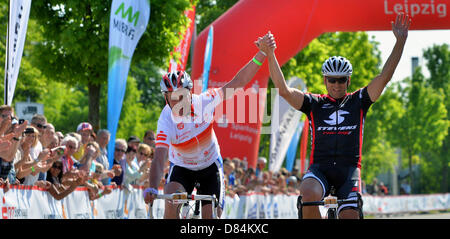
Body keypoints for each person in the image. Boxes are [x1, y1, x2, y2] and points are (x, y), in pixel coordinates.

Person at [260, 14, 411, 219]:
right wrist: (270, 54)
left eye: (341, 80)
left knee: (349, 216)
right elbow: (284, 90)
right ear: (325, 80)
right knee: (307, 193)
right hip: (319, 170)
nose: (337, 85)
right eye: (332, 80)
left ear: (348, 81)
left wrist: (400, 43)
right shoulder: (314, 103)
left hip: (348, 172)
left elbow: (384, 77)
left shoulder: (359, 100)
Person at [144, 34, 271, 219]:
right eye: (173, 99)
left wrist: (261, 53)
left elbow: (239, 82)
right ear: (166, 99)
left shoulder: (205, 101)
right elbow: (159, 157)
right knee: (170, 200)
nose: (179, 103)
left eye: (182, 97)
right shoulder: (165, 120)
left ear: (190, 93)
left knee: (210, 217)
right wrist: (152, 187)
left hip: (210, 166)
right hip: (182, 168)